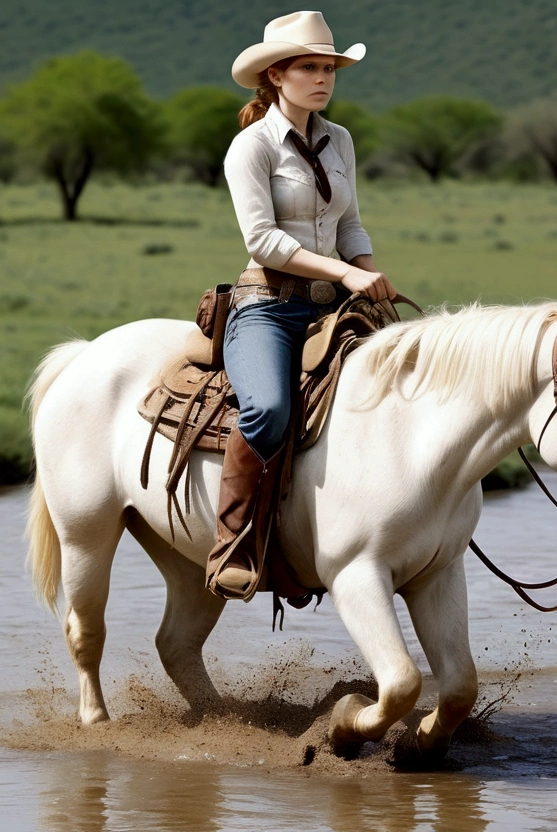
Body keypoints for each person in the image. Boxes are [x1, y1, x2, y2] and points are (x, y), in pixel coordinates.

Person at [206, 11, 397, 600]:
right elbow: (262, 241)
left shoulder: (339, 140)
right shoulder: (251, 147)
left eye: (330, 68)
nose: (323, 78)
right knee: (266, 408)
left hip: (334, 305)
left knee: (402, 397)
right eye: (310, 68)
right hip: (268, 306)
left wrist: (368, 275)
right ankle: (232, 541)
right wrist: (342, 270)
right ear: (276, 76)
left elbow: (352, 225)